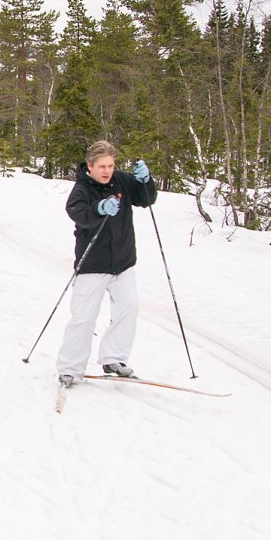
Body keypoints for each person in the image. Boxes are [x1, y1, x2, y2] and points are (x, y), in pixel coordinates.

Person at [55, 140, 157, 387]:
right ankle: (70, 368)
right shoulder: (81, 189)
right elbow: (78, 214)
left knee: (128, 308)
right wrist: (99, 209)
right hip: (93, 264)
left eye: (110, 165)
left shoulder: (121, 180)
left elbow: (145, 199)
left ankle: (114, 358)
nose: (107, 171)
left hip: (123, 262)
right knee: (83, 317)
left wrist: (146, 181)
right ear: (90, 166)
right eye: (102, 166)